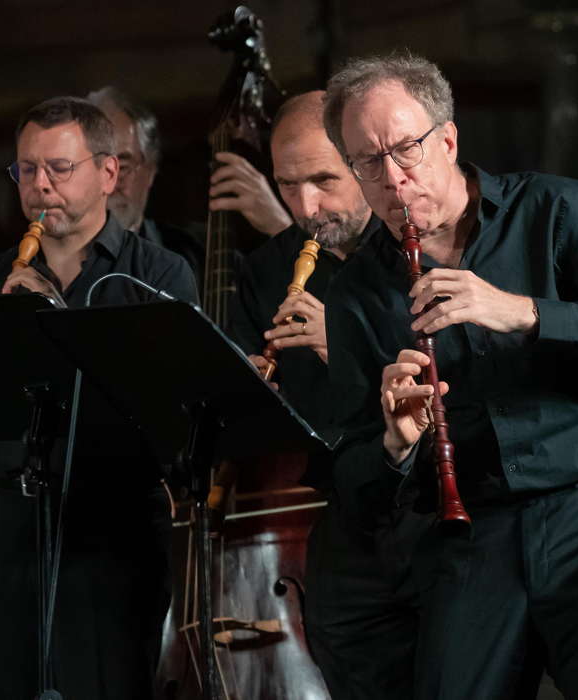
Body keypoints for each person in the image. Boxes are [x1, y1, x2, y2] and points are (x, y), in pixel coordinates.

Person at [321, 54, 578, 700]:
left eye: (406, 149)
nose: (392, 179)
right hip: (470, 534)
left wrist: (522, 312)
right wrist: (396, 444)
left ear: (448, 139)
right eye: (367, 162)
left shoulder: (554, 209)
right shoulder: (355, 289)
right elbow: (354, 477)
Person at [0, 96, 198, 699]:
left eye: (58, 170)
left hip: (111, 525)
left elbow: (164, 412)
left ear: (108, 173)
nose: (40, 188)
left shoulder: (161, 276)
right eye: (26, 171)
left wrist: (52, 318)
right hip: (6, 522)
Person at [224, 90, 434, 700]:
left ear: (364, 165)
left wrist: (339, 345)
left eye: (323, 180)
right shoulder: (266, 269)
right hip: (337, 514)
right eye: (288, 186)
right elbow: (251, 411)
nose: (306, 207)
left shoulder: (417, 251)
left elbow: (444, 385)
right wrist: (246, 381)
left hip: (427, 511)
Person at [87, 85, 204, 281]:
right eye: (96, 166)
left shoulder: (191, 253)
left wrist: (274, 223)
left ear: (150, 170)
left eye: (122, 167)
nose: (109, 184)